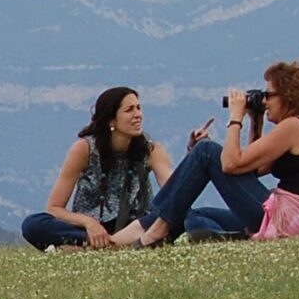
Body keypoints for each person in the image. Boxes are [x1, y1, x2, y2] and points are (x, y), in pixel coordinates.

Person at [134, 61, 299, 245]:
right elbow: (254, 169)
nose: (264, 102)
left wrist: (235, 117)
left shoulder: (294, 126)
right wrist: (256, 122)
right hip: (292, 220)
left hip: (286, 219)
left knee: (206, 151)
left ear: (288, 96)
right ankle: (229, 237)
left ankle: (155, 230)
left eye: (269, 95)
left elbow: (230, 164)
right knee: (196, 217)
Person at [21, 87, 217, 250]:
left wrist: (193, 153)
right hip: (90, 229)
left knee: (188, 215)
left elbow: (174, 192)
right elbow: (54, 208)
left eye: (139, 108)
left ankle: (91, 248)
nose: (138, 115)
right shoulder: (84, 149)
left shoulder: (151, 150)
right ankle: (105, 245)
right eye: (129, 110)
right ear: (111, 120)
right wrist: (90, 224)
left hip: (137, 226)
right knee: (33, 224)